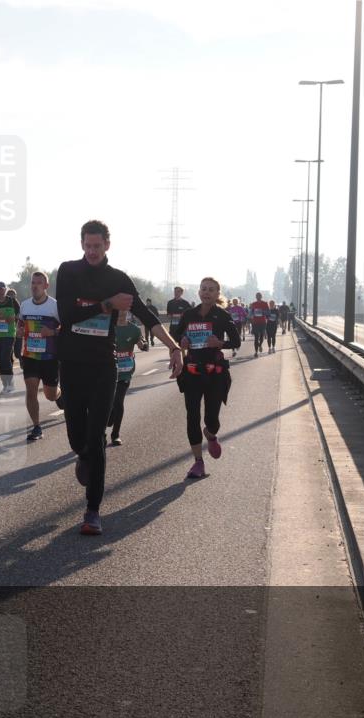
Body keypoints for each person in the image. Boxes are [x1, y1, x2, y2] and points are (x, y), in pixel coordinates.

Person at [57, 220, 183, 535]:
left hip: (103, 365)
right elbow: (68, 315)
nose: (91, 251)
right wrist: (107, 305)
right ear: (81, 244)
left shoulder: (118, 279)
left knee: (97, 434)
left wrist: (174, 347)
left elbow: (147, 316)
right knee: (77, 438)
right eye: (87, 245)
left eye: (97, 246)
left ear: (107, 245)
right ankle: (82, 454)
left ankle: (92, 511)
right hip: (72, 364)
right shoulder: (69, 272)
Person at [176, 277, 241, 479]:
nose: (206, 292)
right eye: (203, 289)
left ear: (217, 293)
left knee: (211, 419)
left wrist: (219, 343)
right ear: (199, 292)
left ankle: (211, 435)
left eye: (211, 290)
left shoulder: (222, 315)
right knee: (192, 417)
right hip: (192, 373)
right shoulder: (189, 314)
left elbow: (236, 341)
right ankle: (198, 462)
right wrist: (182, 341)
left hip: (215, 375)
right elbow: (175, 337)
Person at [16, 271, 63, 441]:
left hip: (50, 357)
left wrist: (51, 331)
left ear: (46, 286)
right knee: (31, 391)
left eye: (38, 283)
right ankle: (36, 427)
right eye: (32, 283)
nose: (34, 286)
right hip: (30, 355)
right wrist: (19, 330)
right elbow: (20, 323)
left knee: (50, 395)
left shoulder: (54, 306)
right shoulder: (25, 305)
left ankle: (60, 395)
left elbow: (65, 327)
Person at [107, 309, 144, 446]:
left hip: (125, 370)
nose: (121, 312)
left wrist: (143, 345)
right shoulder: (108, 326)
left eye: (124, 310)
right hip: (108, 370)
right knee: (107, 402)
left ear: (127, 311)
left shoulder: (134, 329)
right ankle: (107, 421)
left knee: (118, 401)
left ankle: (115, 434)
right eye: (118, 310)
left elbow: (143, 344)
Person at [249, 292, 270, 356]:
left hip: (262, 322)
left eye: (259, 296)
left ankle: (260, 345)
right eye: (257, 296)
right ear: (256, 297)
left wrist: (262, 312)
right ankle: (256, 352)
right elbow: (251, 313)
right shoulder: (253, 304)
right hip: (255, 322)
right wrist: (250, 317)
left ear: (261, 297)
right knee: (256, 337)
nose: (258, 297)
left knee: (261, 336)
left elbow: (268, 313)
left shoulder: (265, 303)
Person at [6, 288, 22, 366]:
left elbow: (19, 316)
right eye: (9, 295)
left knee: (17, 352)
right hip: (8, 331)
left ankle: (22, 360)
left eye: (12, 295)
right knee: (9, 349)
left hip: (16, 330)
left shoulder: (16, 304)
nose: (11, 296)